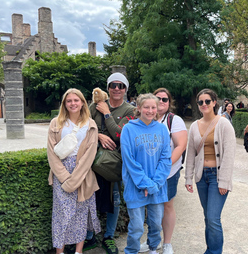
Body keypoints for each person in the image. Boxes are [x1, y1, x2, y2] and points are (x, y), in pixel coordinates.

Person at [47, 88, 101, 254]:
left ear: (83, 102)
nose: (73, 103)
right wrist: (64, 178)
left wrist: (76, 178)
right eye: (69, 101)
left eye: (76, 100)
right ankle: (60, 251)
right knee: (61, 214)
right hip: (60, 173)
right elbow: (51, 151)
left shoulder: (90, 125)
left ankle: (78, 251)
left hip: (82, 173)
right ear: (64, 103)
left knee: (80, 213)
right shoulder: (55, 123)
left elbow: (90, 154)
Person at [87, 72, 135, 254]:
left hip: (113, 160)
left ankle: (109, 237)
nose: (116, 88)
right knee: (90, 196)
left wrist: (107, 115)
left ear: (125, 90)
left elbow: (119, 135)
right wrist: (97, 134)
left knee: (114, 198)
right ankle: (89, 235)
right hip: (92, 159)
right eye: (113, 85)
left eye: (120, 86)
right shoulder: (95, 105)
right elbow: (82, 125)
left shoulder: (130, 111)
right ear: (107, 88)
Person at [185, 89, 236, 254]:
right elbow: (191, 153)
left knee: (213, 218)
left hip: (217, 176)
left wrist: (224, 181)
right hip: (202, 177)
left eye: (207, 101)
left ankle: (214, 252)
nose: (204, 104)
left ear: (215, 102)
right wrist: (188, 178)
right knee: (208, 217)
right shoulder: (194, 126)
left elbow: (229, 154)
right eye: (201, 102)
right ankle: (210, 249)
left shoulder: (224, 124)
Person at [121, 93, 172, 254]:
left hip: (157, 186)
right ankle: (132, 251)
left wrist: (154, 184)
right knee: (136, 226)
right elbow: (129, 161)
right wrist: (146, 184)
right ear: (139, 108)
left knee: (156, 223)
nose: (150, 111)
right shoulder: (129, 129)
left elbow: (165, 158)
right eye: (146, 107)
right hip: (135, 186)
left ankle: (152, 247)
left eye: (153, 107)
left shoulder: (162, 129)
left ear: (157, 109)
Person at [138, 88, 187, 254]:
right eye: (157, 98)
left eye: (164, 99)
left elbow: (180, 145)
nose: (160, 102)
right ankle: (153, 241)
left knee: (167, 206)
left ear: (169, 102)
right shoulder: (144, 120)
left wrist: (164, 167)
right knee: (150, 206)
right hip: (148, 173)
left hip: (168, 173)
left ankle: (166, 243)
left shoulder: (174, 120)